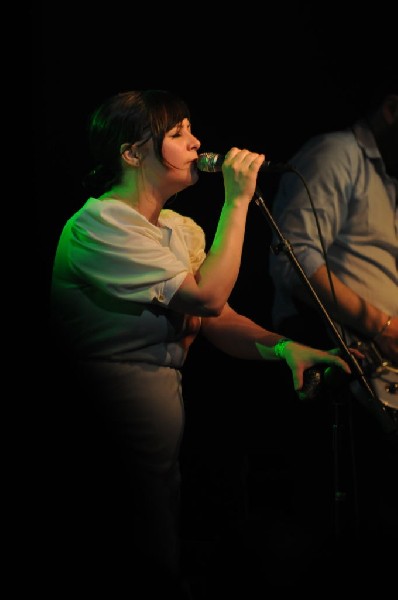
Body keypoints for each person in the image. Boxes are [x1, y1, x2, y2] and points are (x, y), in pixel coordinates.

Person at [49, 89, 355, 597]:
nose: (196, 143)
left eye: (191, 130)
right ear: (131, 153)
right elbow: (209, 298)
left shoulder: (177, 229)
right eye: (177, 134)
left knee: (159, 544)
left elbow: (218, 319)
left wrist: (282, 347)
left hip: (161, 423)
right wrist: (237, 202)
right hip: (107, 419)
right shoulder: (100, 225)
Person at [268, 75, 397, 586]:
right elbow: (294, 260)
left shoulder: (387, 177)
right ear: (391, 107)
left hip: (379, 371)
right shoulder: (337, 153)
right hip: (341, 364)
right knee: (357, 527)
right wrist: (381, 324)